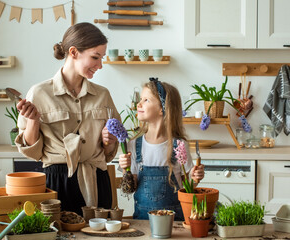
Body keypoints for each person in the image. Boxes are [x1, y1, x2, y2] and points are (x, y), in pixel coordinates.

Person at [15, 22, 120, 216]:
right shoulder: (39, 93)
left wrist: (109, 142)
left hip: (97, 180)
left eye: (101, 58)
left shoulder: (103, 95)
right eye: (95, 57)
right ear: (73, 52)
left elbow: (109, 151)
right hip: (57, 182)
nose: (100, 65)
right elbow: (32, 152)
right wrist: (33, 121)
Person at [118, 78, 205, 220]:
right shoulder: (133, 145)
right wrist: (125, 169)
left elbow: (186, 189)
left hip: (175, 223)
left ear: (162, 109)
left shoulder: (179, 145)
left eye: (146, 100)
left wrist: (195, 179)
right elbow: (131, 187)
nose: (139, 104)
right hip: (143, 222)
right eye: (141, 99)